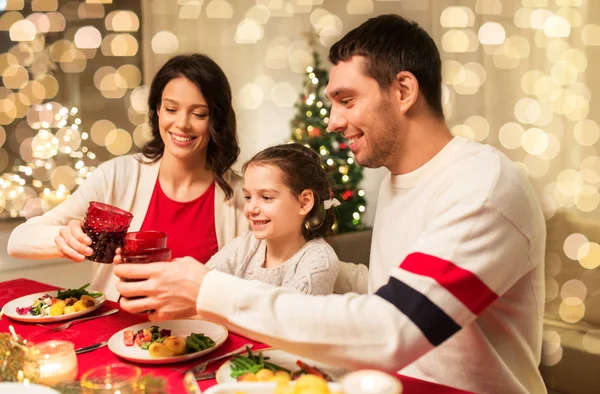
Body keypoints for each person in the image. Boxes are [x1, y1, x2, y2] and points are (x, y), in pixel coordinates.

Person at [115, 15, 547, 394]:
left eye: (347, 100)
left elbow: (393, 329)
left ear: (403, 90)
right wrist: (303, 261)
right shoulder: (400, 181)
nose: (334, 121)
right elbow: (396, 283)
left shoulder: (482, 186)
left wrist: (209, 291)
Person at [7, 53, 247, 301]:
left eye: (199, 114)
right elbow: (18, 241)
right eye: (171, 109)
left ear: (217, 121)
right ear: (157, 110)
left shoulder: (242, 196)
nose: (182, 124)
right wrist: (64, 240)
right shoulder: (117, 176)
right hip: (116, 334)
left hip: (205, 336)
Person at [117, 143, 340, 294]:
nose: (251, 208)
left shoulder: (318, 260)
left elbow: (284, 326)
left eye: (266, 197)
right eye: (248, 196)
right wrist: (154, 274)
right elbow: (202, 284)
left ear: (304, 202)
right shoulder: (247, 245)